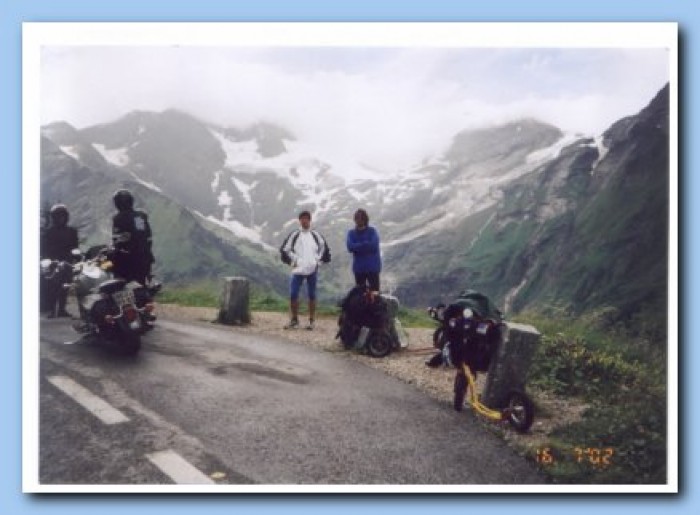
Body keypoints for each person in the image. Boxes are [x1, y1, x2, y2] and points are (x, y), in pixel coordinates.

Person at [280, 211, 329, 330]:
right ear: (299, 220)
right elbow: (285, 250)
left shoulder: (316, 235)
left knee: (312, 295)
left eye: (306, 218)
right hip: (298, 270)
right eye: (302, 219)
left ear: (310, 220)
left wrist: (318, 262)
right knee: (293, 294)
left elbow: (325, 249)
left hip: (312, 269)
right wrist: (293, 261)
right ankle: (294, 320)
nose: (304, 221)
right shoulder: (295, 234)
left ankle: (311, 321)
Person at [40, 204, 79, 318]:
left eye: (63, 216)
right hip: (53, 262)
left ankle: (62, 309)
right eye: (58, 216)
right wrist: (47, 261)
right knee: (53, 287)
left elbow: (75, 246)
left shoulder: (71, 231)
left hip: (67, 261)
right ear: (54, 217)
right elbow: (44, 248)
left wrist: (76, 257)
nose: (61, 218)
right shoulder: (48, 232)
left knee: (65, 286)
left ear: (66, 217)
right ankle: (52, 310)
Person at [111, 189, 155, 285]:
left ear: (118, 203)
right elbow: (143, 235)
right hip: (145, 257)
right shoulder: (140, 216)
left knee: (119, 284)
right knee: (141, 285)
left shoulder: (118, 218)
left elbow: (117, 240)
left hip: (129, 260)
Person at [346, 208, 382, 293]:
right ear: (355, 220)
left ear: (365, 219)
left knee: (374, 294)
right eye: (357, 218)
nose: (359, 220)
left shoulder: (372, 231)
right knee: (360, 295)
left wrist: (358, 246)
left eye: (361, 218)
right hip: (359, 269)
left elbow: (373, 246)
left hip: (372, 268)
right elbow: (350, 247)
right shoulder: (351, 233)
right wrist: (365, 244)